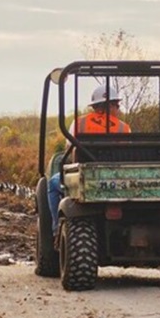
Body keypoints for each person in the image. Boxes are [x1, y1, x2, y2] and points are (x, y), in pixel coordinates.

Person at [47, 84, 132, 235]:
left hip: (86, 179)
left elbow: (69, 151)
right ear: (109, 106)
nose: (118, 109)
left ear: (96, 106)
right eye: (117, 105)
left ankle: (55, 229)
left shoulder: (79, 123)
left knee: (52, 183)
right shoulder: (123, 127)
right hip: (118, 179)